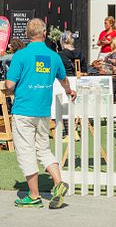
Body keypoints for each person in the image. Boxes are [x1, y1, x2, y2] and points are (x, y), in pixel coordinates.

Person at [5, 18, 76, 209]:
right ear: (44, 34)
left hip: (23, 110)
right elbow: (64, 81)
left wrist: (8, 88)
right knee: (43, 149)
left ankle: (34, 195)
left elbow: (10, 84)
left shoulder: (20, 56)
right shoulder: (54, 56)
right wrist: (70, 92)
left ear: (27, 35)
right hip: (43, 111)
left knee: (26, 152)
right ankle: (58, 182)